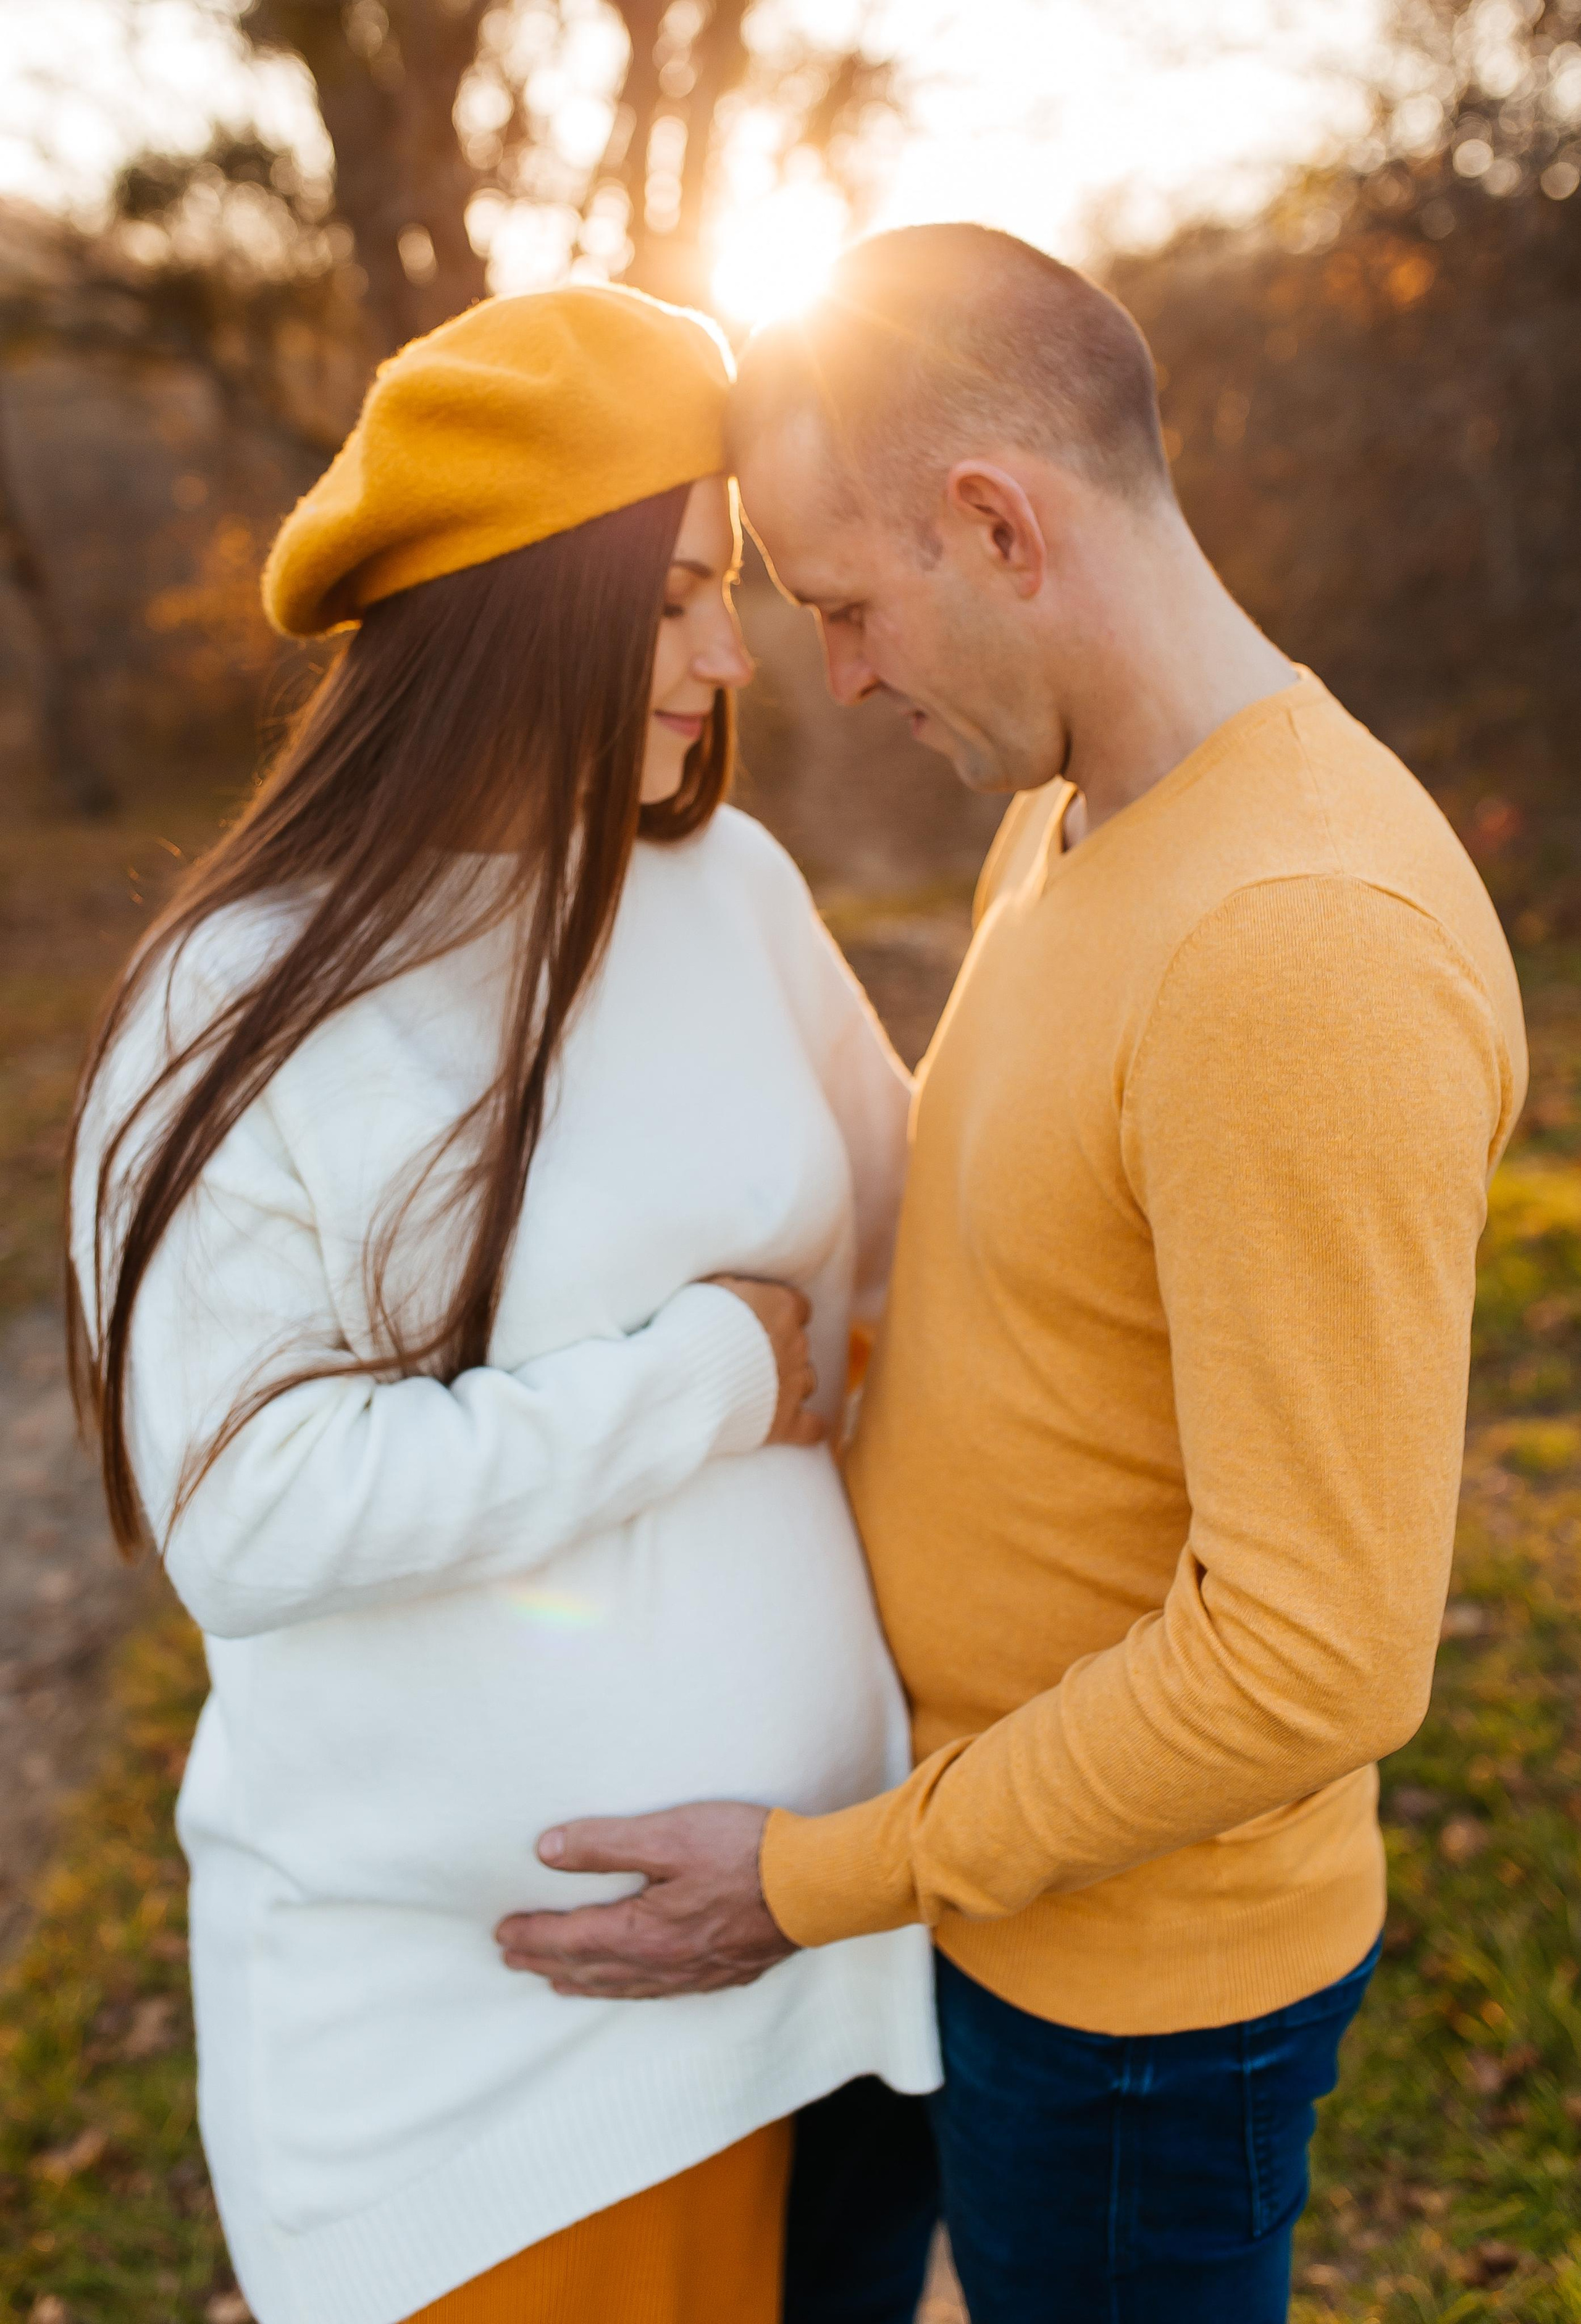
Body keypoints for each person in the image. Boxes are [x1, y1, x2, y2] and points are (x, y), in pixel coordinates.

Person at [493, 226, 1529, 2321]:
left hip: (1137, 2006)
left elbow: (1318, 1659)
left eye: (845, 605)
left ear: (997, 522)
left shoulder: (1300, 944)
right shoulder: (1077, 817)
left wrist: (807, 1881)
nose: (838, 676)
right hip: (943, 1888)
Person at [66, 284, 940, 2324]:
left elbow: (916, 1262)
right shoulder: (245, 1000)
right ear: (511, 612)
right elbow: (247, 1514)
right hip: (473, 2071)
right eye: (671, 599)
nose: (730, 658)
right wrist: (710, 1374)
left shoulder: (736, 899)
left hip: (818, 1975)